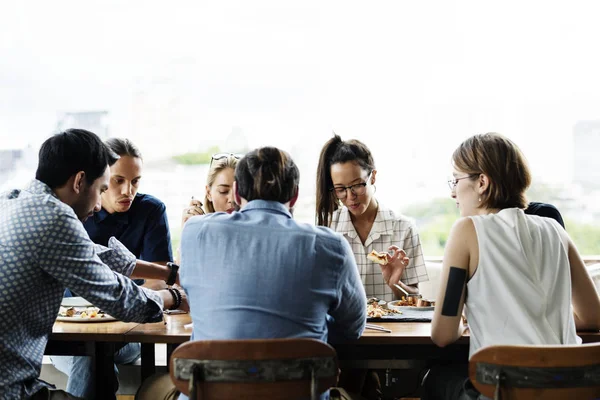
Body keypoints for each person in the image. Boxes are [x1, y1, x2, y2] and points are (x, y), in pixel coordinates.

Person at [0, 129, 187, 399]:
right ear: (79, 182)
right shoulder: (57, 218)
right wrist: (174, 297)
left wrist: (169, 273)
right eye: (102, 189)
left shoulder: (12, 201)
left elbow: (93, 253)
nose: (99, 205)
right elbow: (121, 299)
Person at [179, 146, 366, 400]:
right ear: (295, 196)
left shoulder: (195, 231)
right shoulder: (331, 246)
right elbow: (352, 328)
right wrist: (307, 328)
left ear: (236, 191)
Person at [425, 133, 600, 400]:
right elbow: (592, 316)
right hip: (568, 389)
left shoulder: (466, 230)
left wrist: (466, 321)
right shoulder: (555, 230)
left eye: (456, 180)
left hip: (504, 391)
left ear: (482, 182)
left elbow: (442, 335)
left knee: (434, 379)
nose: (452, 192)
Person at [52, 138, 174, 399]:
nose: (127, 190)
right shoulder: (71, 212)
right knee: (93, 356)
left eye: (135, 181)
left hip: (127, 329)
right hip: (68, 329)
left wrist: (165, 280)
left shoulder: (150, 210)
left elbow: (153, 278)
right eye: (117, 181)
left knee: (94, 354)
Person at [316, 134, 429, 302]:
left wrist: (394, 283)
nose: (350, 196)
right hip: (344, 327)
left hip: (393, 327)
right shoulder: (328, 228)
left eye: (357, 185)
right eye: (340, 189)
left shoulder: (404, 229)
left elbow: (415, 301)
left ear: (373, 176)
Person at [180, 153, 241, 226]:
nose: (232, 199)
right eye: (223, 191)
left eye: (239, 190)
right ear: (209, 193)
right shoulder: (199, 230)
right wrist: (188, 231)